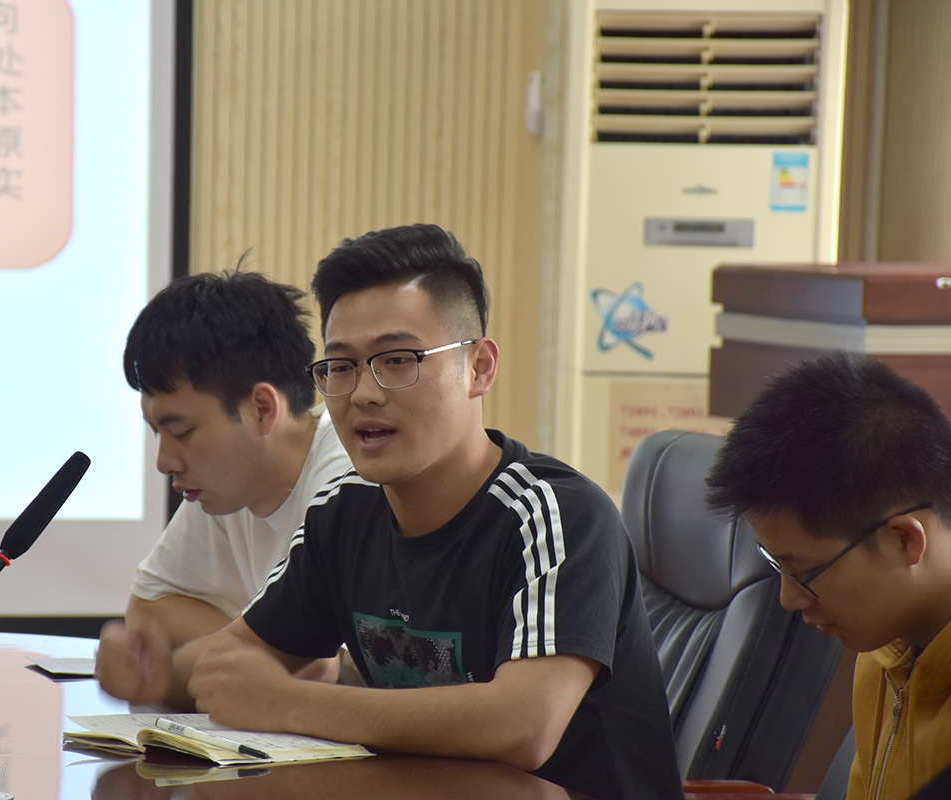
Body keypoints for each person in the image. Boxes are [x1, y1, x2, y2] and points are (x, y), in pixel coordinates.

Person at [97, 224, 682, 800]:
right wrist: (164, 675)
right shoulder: (343, 514)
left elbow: (524, 724)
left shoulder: (554, 515)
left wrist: (290, 702)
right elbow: (236, 661)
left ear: (479, 368)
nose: (363, 393)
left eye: (397, 360)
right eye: (341, 366)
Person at [706, 352, 951, 800]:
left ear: (904, 540)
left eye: (806, 571)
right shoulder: (884, 657)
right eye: (778, 566)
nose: (790, 599)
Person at [96, 269, 352, 682]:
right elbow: (147, 611)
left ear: (262, 409)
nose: (164, 462)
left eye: (181, 432)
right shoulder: (230, 484)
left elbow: (324, 669)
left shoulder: (348, 482)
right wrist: (264, 645)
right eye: (157, 432)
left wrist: (265, 652)